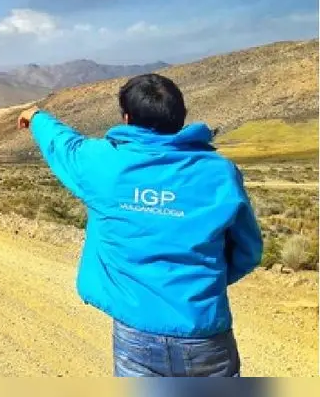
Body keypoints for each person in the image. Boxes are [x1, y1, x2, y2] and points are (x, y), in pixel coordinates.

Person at [17, 73, 263, 377]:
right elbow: (248, 251)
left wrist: (36, 116)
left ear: (127, 118)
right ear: (181, 116)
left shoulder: (102, 163)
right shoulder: (220, 173)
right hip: (205, 332)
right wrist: (203, 282)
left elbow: (63, 144)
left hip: (136, 336)